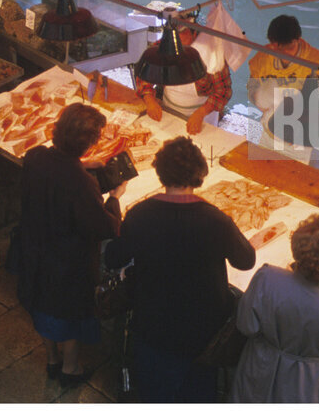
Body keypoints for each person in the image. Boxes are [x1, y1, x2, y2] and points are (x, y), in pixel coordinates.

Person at [105, 136, 255, 402]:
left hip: (153, 319)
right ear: (199, 175)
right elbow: (246, 261)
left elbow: (113, 259)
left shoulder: (140, 214)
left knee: (153, 391)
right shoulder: (216, 220)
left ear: (160, 174)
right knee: (198, 392)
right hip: (203, 328)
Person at [17, 103, 125, 385]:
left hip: (35, 249)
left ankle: (52, 359)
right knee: (71, 315)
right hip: (68, 264)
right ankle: (70, 369)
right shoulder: (80, 183)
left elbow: (54, 172)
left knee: (42, 306)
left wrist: (83, 165)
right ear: (89, 143)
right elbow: (104, 227)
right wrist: (114, 197)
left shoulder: (35, 156)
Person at [231, 215, 319, 403]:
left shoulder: (267, 278)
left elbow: (246, 325)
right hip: (310, 386)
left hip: (261, 372)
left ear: (297, 249)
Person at [247, 14, 319, 164]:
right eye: (277, 47)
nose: (284, 54)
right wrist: (258, 97)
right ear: (271, 42)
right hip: (268, 133)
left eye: (289, 47)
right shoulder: (263, 57)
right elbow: (252, 86)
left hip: (300, 142)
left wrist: (304, 123)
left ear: (298, 39)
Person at [138, 14, 233, 135]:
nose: (178, 48)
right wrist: (149, 99)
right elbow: (144, 74)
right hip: (169, 110)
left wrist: (201, 113)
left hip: (203, 116)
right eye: (174, 43)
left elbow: (223, 91)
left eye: (182, 42)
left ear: (194, 34)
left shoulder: (213, 53)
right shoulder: (163, 46)